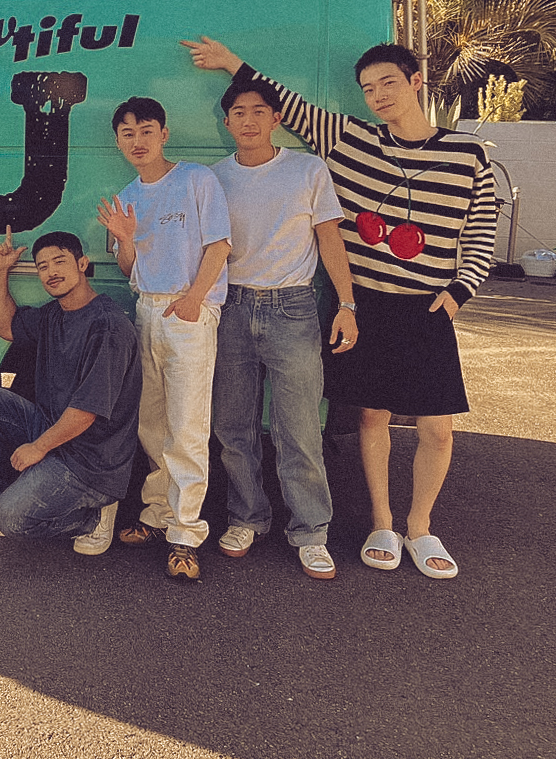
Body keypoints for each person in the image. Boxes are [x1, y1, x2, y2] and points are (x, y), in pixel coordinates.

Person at [182, 36, 496, 580]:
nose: (377, 96)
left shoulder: (467, 154)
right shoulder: (350, 139)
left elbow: (482, 231)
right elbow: (287, 104)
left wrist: (458, 293)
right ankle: (372, 524)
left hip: (419, 308)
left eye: (388, 83)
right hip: (354, 304)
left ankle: (408, 528)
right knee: (360, 419)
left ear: (416, 81)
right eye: (368, 89)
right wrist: (233, 63)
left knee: (430, 428)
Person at [206, 80, 357, 580]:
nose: (248, 120)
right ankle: (246, 517)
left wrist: (347, 304)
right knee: (232, 426)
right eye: (238, 112)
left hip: (292, 308)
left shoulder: (307, 170)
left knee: (300, 429)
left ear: (276, 119)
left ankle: (311, 531)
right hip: (230, 306)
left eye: (258, 111)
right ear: (226, 122)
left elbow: (330, 239)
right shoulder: (213, 179)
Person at [0, 229, 141, 555]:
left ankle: (93, 517)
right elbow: (4, 326)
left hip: (90, 461)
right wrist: (2, 270)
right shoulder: (55, 314)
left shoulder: (107, 326)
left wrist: (38, 447)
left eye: (60, 262)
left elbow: (86, 412)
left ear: (82, 264)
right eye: (43, 266)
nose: (51, 272)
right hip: (55, 431)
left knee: (10, 519)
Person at [98, 97, 231, 581]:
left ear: (164, 134)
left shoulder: (196, 179)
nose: (138, 141)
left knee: (188, 425)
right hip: (146, 309)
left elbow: (220, 245)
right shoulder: (127, 195)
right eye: (128, 133)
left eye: (146, 131)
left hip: (188, 309)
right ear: (118, 141)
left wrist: (195, 299)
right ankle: (157, 514)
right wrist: (125, 239)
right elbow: (129, 270)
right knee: (151, 422)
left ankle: (186, 534)